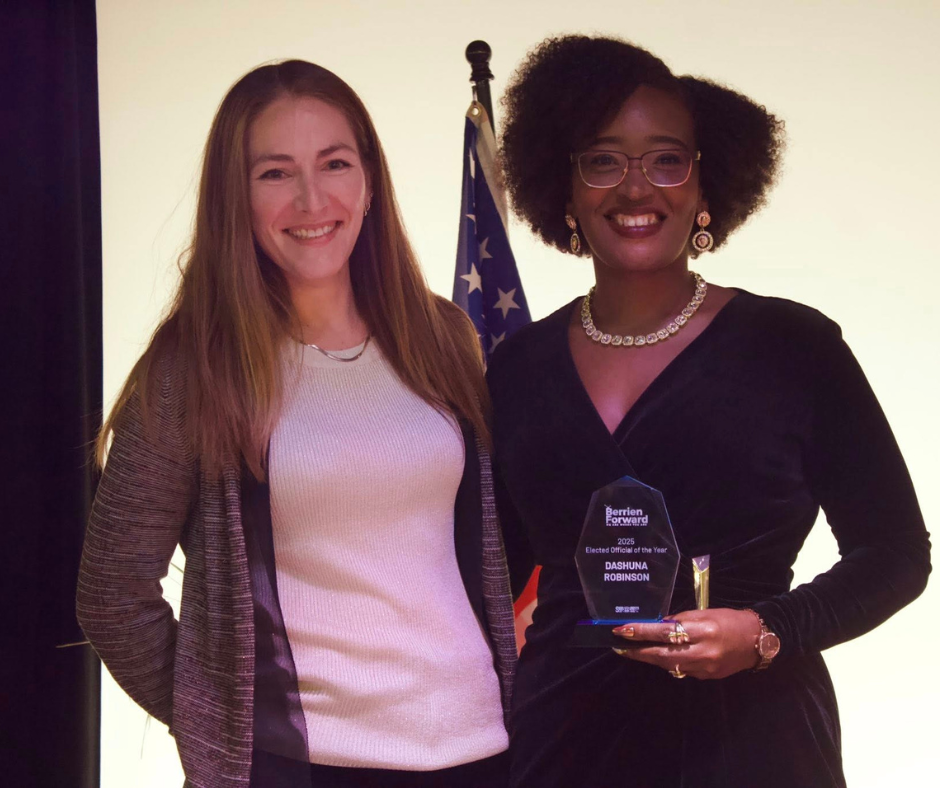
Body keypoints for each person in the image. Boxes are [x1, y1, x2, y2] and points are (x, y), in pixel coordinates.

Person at [488, 35, 930, 788]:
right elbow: (489, 572)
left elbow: (897, 556)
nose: (636, 188)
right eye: (603, 159)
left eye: (667, 159)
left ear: (705, 186)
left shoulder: (795, 347)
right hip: (560, 744)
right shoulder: (518, 367)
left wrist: (767, 632)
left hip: (754, 743)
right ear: (563, 186)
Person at [77, 60, 516, 788]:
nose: (313, 198)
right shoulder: (194, 366)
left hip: (479, 752)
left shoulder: (442, 335)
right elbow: (113, 594)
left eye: (335, 163)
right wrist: (227, 728)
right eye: (274, 173)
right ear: (235, 199)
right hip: (299, 769)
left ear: (368, 182)